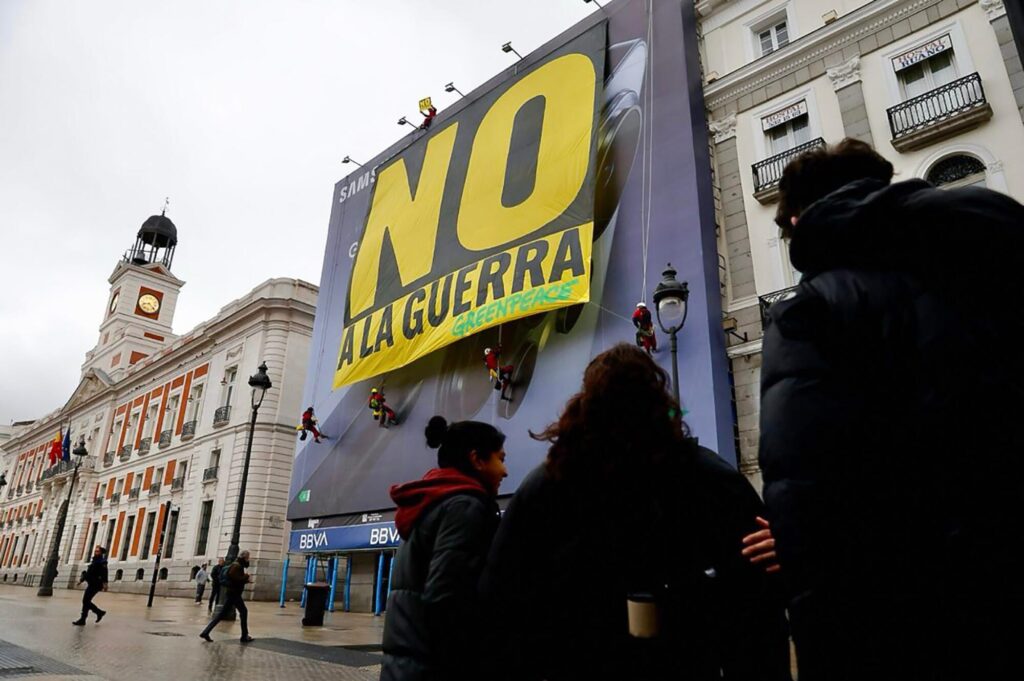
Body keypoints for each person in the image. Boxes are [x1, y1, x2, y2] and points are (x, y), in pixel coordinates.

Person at [760, 138, 1024, 680]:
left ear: (794, 218)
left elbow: (812, 495)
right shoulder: (992, 257)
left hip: (903, 614)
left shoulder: (815, 309)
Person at [480, 344, 791, 681]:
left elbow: (500, 597)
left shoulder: (548, 485)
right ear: (659, 402)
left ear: (586, 406)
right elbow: (758, 602)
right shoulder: (704, 476)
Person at [380, 416, 508, 681]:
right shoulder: (465, 506)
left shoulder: (432, 503)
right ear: (477, 459)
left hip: (409, 667)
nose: (505, 471)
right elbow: (449, 599)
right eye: (501, 459)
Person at [199, 550, 254, 643]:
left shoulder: (237, 565)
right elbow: (234, 576)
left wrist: (244, 578)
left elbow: (235, 577)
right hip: (234, 594)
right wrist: (246, 577)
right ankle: (244, 636)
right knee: (243, 612)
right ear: (245, 557)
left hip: (232, 594)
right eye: (248, 558)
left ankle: (206, 632)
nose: (248, 560)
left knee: (222, 615)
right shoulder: (237, 566)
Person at [73, 545, 108, 626]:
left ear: (101, 553)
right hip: (91, 583)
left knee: (85, 601)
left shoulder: (102, 561)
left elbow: (104, 573)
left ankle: (85, 618)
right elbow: (89, 572)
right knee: (86, 601)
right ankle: (98, 613)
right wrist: (81, 580)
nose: (96, 552)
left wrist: (105, 584)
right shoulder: (94, 560)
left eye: (97, 551)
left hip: (96, 584)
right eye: (95, 551)